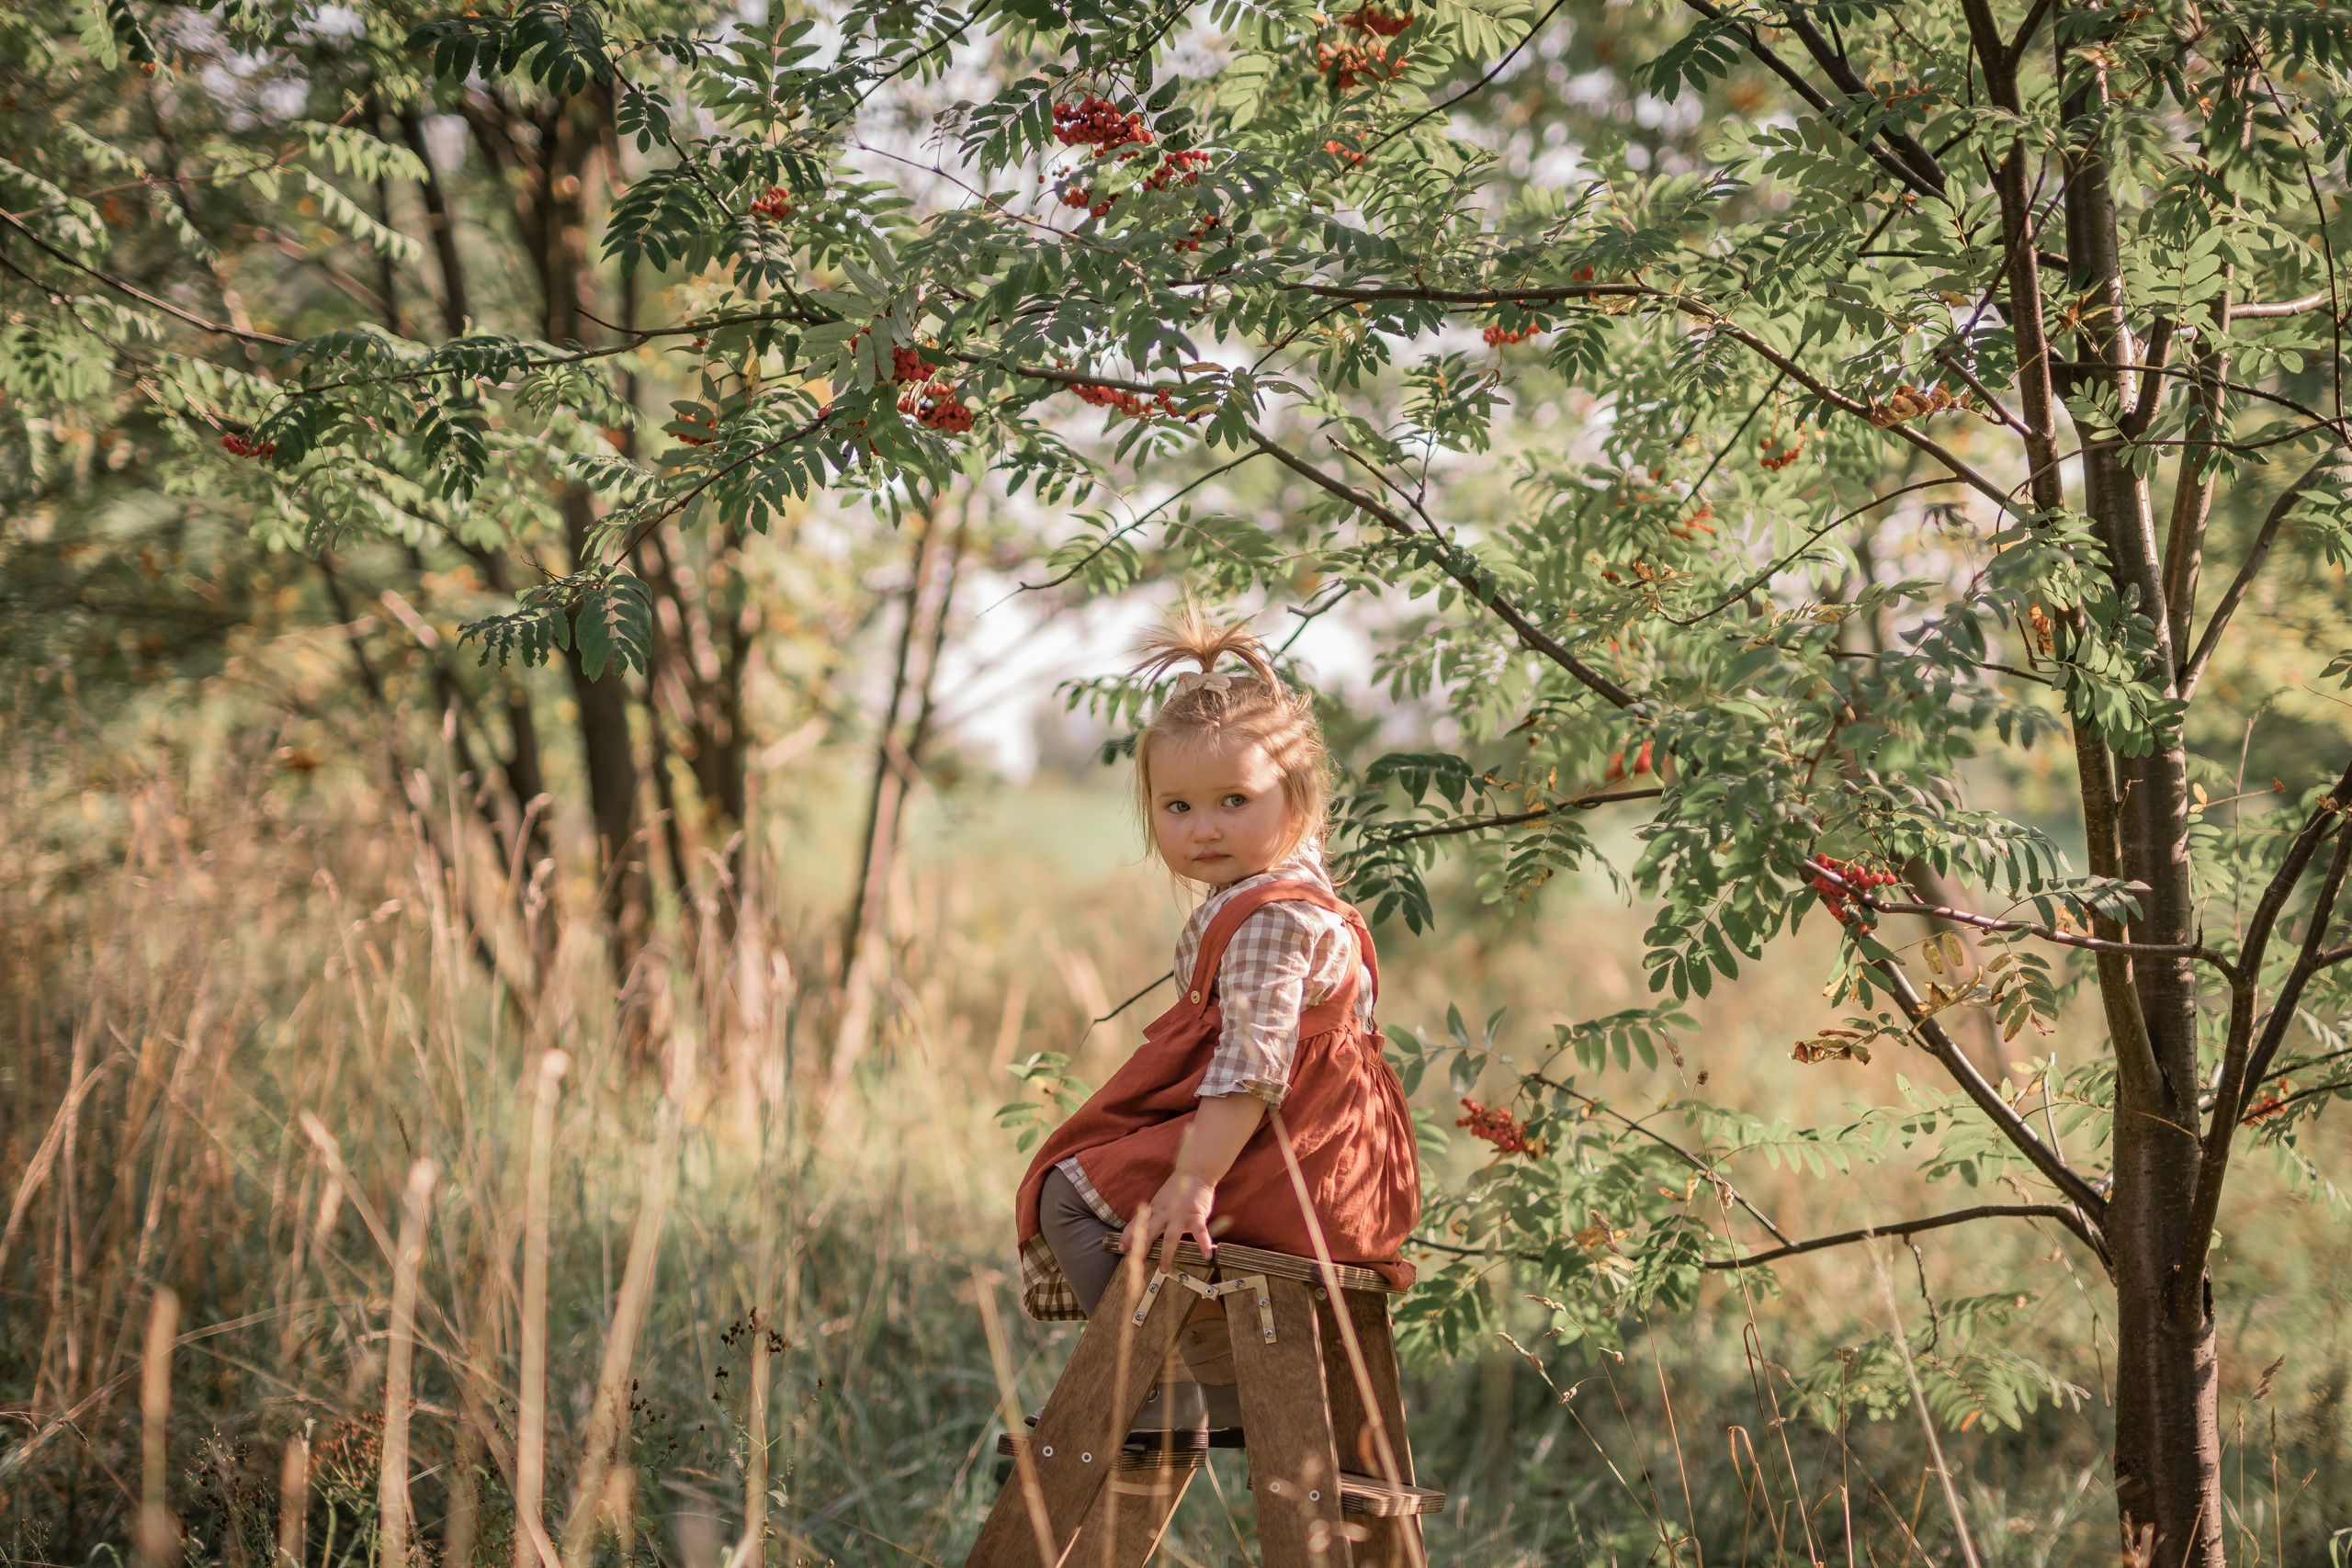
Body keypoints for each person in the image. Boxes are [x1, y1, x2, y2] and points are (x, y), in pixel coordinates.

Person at [1011, 610, 1420, 1446]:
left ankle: (1184, 1387)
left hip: (1290, 1161)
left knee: (1069, 1192)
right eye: (1178, 805)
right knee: (1107, 1183)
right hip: (1331, 1173)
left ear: (1298, 799)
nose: (1204, 827)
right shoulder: (1291, 898)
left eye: (1235, 800)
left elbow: (1254, 1066)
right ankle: (1211, 1384)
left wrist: (1193, 1179)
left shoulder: (1271, 918)